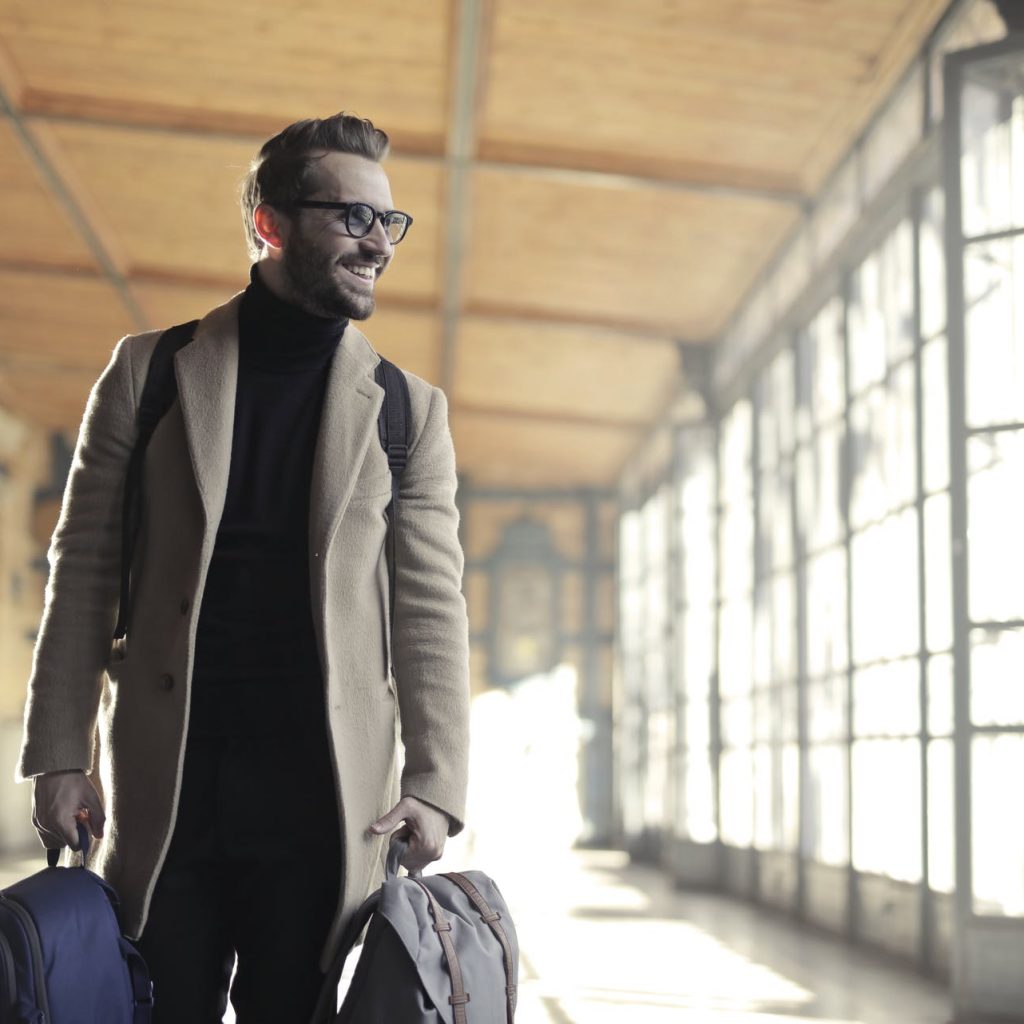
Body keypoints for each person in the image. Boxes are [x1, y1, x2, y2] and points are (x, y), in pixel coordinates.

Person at [16, 112, 471, 1023]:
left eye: (390, 223)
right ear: (270, 225)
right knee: (162, 1003)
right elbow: (84, 568)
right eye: (353, 218)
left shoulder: (405, 412)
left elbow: (431, 608)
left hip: (323, 797)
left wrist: (434, 782)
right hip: (168, 787)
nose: (379, 243)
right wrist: (59, 752)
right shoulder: (149, 374)